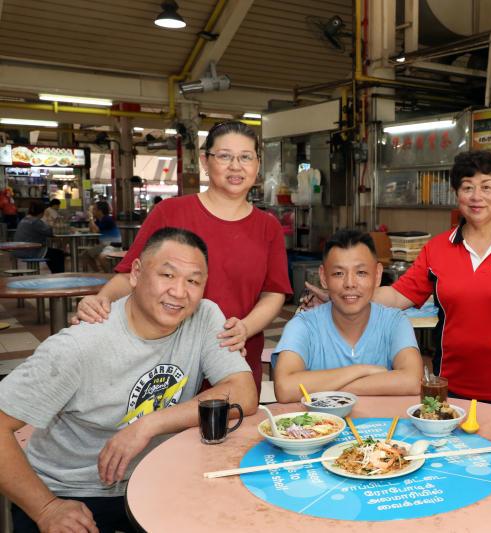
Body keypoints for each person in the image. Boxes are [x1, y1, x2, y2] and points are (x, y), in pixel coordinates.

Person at [0, 227, 258, 533]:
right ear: (135, 273)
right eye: (167, 275)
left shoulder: (203, 317)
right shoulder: (79, 346)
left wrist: (148, 424)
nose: (179, 291)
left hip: (160, 479)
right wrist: (46, 508)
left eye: (193, 281)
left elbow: (243, 393)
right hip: (72, 491)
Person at [74, 121, 292, 398]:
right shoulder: (170, 212)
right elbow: (131, 275)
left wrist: (245, 328)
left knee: (232, 433)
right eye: (224, 156)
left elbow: (274, 292)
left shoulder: (267, 226)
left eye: (246, 157)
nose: (236, 166)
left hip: (233, 355)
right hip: (163, 359)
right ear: (205, 161)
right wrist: (99, 303)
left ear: (257, 164)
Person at [305, 150, 491, 406]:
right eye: (467, 187)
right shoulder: (437, 249)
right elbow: (397, 296)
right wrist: (338, 297)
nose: (476, 197)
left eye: (486, 187)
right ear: (456, 194)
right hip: (449, 390)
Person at [273, 230, 423, 402]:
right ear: (323, 277)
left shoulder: (395, 322)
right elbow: (285, 388)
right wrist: (361, 370)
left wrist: (328, 387)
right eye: (338, 273)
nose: (350, 283)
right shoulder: (303, 325)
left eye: (361, 273)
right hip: (321, 428)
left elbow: (412, 381)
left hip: (382, 427)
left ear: (377, 275)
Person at [13, 201, 65, 273]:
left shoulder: (24, 219)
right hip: (31, 251)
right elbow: (50, 232)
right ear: (42, 212)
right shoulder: (35, 221)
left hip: (19, 250)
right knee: (59, 254)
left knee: (53, 254)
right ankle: (59, 276)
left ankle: (55, 275)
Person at [81, 201, 121, 272]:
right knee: (86, 255)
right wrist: (92, 220)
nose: (92, 211)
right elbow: (92, 230)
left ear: (100, 211)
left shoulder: (107, 219)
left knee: (101, 257)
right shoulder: (100, 220)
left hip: (113, 245)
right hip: (104, 245)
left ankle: (109, 275)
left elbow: (96, 230)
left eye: (94, 209)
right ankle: (99, 273)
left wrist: (90, 218)